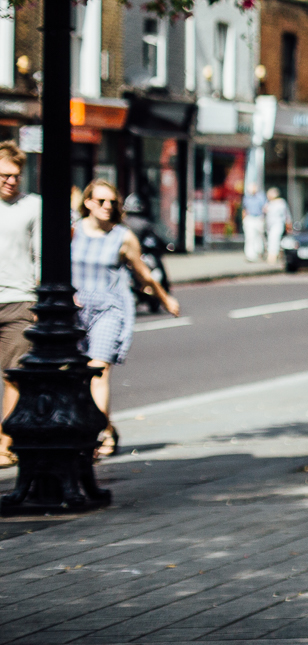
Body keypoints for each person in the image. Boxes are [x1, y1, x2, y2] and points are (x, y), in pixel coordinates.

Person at [73, 178, 180, 459]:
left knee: (98, 370)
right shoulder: (73, 232)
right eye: (101, 201)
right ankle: (106, 426)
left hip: (109, 309)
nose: (107, 206)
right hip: (74, 311)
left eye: (112, 202)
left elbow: (143, 272)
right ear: (87, 204)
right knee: (75, 377)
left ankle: (99, 435)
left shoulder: (123, 236)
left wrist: (165, 297)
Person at [0, 144, 37, 469]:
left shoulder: (32, 206)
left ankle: (5, 441)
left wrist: (40, 299)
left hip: (18, 300)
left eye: (15, 175)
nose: (10, 181)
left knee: (13, 375)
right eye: (3, 175)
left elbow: (41, 254)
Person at [262, 185, 292, 262]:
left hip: (278, 224)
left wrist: (288, 224)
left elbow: (287, 215)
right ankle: (274, 255)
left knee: (274, 239)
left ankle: (272, 256)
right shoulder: (268, 203)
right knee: (271, 240)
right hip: (269, 226)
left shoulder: (281, 203)